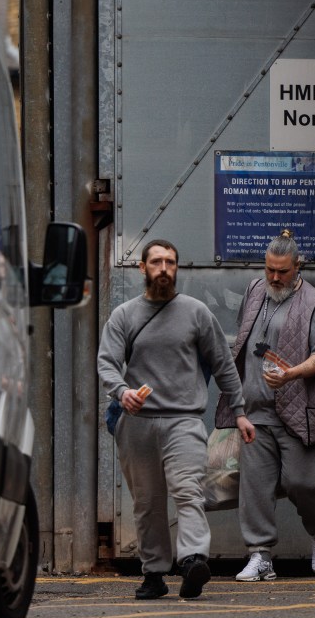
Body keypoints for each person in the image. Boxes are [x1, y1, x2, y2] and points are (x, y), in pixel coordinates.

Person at [97, 239, 254, 600]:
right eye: (156, 262)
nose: (164, 268)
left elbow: (223, 364)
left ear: (176, 267)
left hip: (183, 421)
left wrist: (241, 413)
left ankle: (193, 560)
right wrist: (122, 392)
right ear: (142, 268)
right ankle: (154, 573)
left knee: (189, 492)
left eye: (170, 262)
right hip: (137, 424)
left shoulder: (197, 313)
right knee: (147, 503)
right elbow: (107, 362)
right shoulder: (124, 316)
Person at [215, 230, 315, 582]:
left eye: (282, 271)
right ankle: (260, 556)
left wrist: (291, 374)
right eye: (269, 269)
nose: (274, 277)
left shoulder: (314, 303)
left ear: (297, 267)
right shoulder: (256, 290)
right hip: (256, 410)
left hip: (298, 412)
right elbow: (248, 339)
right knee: (254, 488)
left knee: (302, 483)